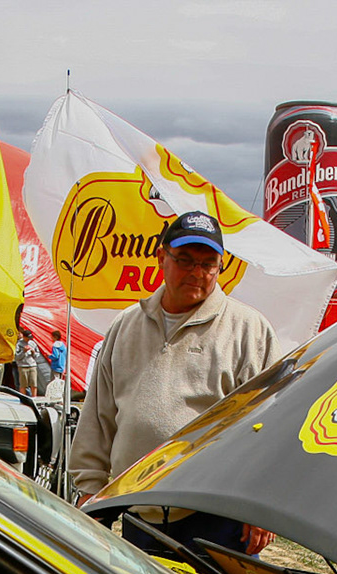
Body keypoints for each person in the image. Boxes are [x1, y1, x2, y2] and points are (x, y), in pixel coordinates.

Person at [70, 210, 280, 555]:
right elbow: (99, 415)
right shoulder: (126, 326)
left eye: (208, 263)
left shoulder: (248, 330)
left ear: (219, 267)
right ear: (161, 257)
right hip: (140, 513)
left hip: (219, 517)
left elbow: (272, 422)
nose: (197, 272)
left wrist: (262, 503)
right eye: (185, 260)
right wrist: (89, 489)